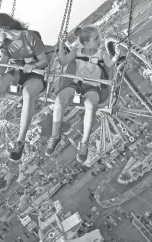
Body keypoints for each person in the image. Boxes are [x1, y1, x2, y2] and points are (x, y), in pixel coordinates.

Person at [0, 13, 49, 162]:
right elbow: (4, 61)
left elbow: (44, 61)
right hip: (17, 73)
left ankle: (20, 141)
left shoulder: (29, 37)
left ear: (1, 30)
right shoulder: (6, 44)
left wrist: (32, 65)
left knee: (27, 93)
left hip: (35, 75)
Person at [45, 26, 121, 163]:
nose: (99, 40)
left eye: (99, 37)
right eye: (96, 39)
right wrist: (61, 45)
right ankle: (55, 136)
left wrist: (116, 55)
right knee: (60, 99)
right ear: (86, 43)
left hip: (93, 86)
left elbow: (110, 64)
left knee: (91, 105)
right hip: (77, 83)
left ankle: (84, 143)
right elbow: (63, 61)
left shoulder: (101, 54)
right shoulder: (76, 51)